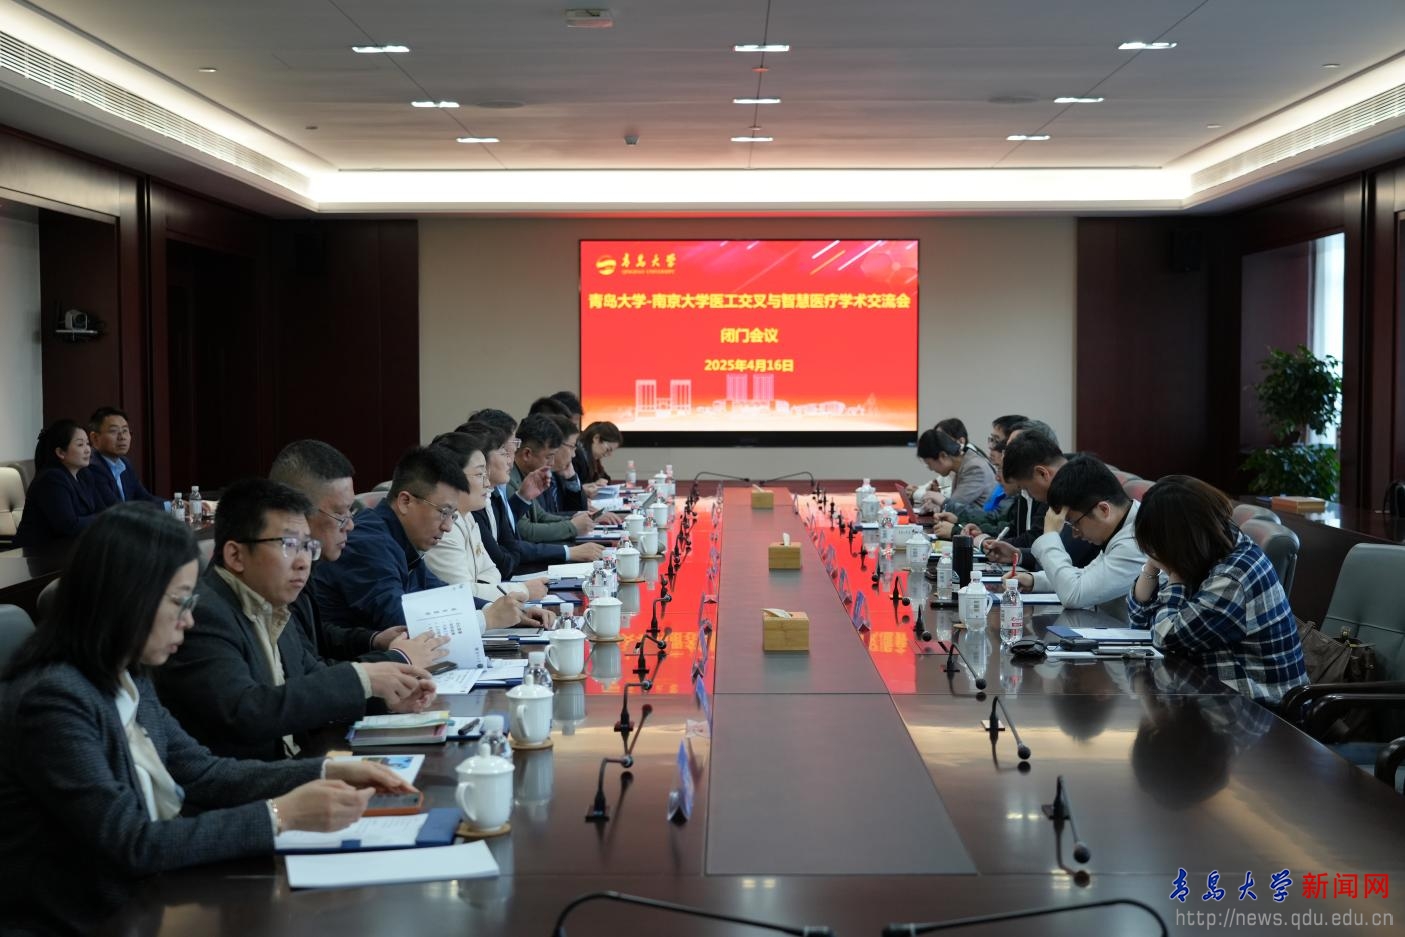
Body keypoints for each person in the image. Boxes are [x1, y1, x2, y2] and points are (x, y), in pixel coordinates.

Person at [0, 504, 411, 933]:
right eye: (179, 601)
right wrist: (280, 815)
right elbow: (132, 843)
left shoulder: (127, 675)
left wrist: (328, 770)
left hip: (147, 901)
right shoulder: (53, 701)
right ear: (127, 597)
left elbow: (203, 773)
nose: (189, 619)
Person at [154, 479, 438, 761]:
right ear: (235, 555)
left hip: (302, 761)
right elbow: (247, 711)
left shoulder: (272, 601)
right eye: (288, 545)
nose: (303, 561)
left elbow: (311, 677)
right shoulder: (204, 615)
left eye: (307, 546)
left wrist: (387, 696)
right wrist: (364, 678)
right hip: (255, 779)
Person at [1128, 475, 1308, 704]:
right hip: (1217, 697)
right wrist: (1152, 567)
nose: (1154, 552)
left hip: (1263, 712)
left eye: (1157, 546)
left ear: (1180, 539)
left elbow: (1166, 637)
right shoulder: (1207, 551)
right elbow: (1139, 622)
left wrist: (1174, 578)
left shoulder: (1233, 576)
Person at [269, 439, 447, 669]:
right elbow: (309, 674)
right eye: (340, 514)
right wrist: (396, 660)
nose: (350, 525)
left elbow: (315, 636)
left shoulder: (307, 563)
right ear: (297, 513)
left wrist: (373, 640)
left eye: (351, 512)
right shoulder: (270, 579)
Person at [313, 446, 524, 637]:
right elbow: (398, 620)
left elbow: (439, 593)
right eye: (443, 512)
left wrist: (499, 610)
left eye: (452, 515)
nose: (448, 526)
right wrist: (486, 619)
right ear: (405, 501)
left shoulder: (399, 536)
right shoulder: (367, 542)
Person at [424, 430, 558, 617]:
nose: (487, 483)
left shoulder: (467, 516)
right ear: (452, 477)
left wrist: (486, 590)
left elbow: (492, 572)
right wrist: (523, 591)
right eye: (480, 474)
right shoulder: (445, 528)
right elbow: (463, 594)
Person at [1011, 454, 1145, 619]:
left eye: (1075, 523)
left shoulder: (1137, 540)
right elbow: (1086, 576)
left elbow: (1074, 595)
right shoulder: (1122, 526)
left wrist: (1050, 535)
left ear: (1103, 510)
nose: (1075, 533)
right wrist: (1034, 580)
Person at [975, 424, 1098, 572]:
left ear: (1042, 474)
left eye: (1027, 489)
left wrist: (1050, 533)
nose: (1030, 496)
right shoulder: (1069, 483)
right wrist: (1019, 555)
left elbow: (1057, 567)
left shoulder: (1082, 491)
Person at [14, 419, 106, 553]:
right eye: (80, 445)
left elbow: (103, 510)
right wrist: (101, 519)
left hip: (70, 549)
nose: (88, 450)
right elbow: (69, 526)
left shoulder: (84, 475)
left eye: (87, 443)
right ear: (60, 452)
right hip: (38, 554)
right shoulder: (51, 479)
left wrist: (103, 518)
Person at [86, 406, 164, 506]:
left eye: (125, 430)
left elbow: (145, 498)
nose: (122, 437)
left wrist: (175, 505)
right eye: (113, 431)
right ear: (95, 438)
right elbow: (115, 508)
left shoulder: (125, 463)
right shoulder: (92, 466)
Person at [914, 426, 996, 510]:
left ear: (943, 455)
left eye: (929, 464)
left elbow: (955, 508)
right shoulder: (963, 464)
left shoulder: (974, 468)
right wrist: (937, 507)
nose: (930, 469)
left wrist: (938, 499)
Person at [576, 421, 622, 486]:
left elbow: (606, 479)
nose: (609, 454)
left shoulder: (594, 459)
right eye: (608, 449)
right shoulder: (576, 456)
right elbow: (574, 487)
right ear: (596, 438)